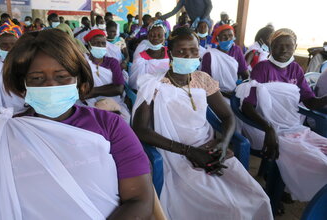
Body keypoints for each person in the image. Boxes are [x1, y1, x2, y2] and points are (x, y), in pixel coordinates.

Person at [0, 29, 154, 220]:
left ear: (78, 80)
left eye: (62, 77)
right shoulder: (0, 139)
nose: (50, 85)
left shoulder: (110, 126)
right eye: (37, 78)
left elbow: (139, 200)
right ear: (23, 86)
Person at [132, 27, 272, 220]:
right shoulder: (154, 84)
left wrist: (223, 144)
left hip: (210, 148)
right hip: (174, 154)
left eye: (194, 50)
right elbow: (140, 130)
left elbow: (228, 117)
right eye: (181, 51)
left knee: (258, 198)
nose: (188, 56)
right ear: (170, 52)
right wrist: (190, 152)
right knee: (229, 208)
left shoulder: (203, 80)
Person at [237, 29, 327, 207]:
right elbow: (248, 106)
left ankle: (286, 188)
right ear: (271, 47)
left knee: (322, 153)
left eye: (289, 46)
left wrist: (324, 99)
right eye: (279, 45)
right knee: (312, 159)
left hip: (293, 126)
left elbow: (308, 100)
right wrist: (269, 127)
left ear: (295, 47)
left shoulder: (295, 69)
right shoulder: (262, 68)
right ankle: (277, 192)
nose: (284, 50)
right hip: (264, 125)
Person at [82, 29, 130, 122]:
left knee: (124, 118)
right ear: (89, 44)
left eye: (103, 43)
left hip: (112, 100)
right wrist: (110, 88)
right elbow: (82, 91)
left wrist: (93, 91)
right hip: (88, 102)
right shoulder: (83, 62)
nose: (100, 46)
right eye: (96, 43)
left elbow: (119, 89)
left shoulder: (112, 62)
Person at [201, 24, 249, 97]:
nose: (228, 38)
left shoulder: (236, 50)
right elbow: (206, 81)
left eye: (230, 35)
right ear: (217, 38)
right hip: (215, 95)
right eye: (224, 36)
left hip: (233, 92)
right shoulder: (210, 55)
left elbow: (244, 73)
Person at [130, 21, 170, 90]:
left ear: (165, 37)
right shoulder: (141, 57)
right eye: (152, 35)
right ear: (148, 36)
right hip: (149, 89)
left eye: (159, 35)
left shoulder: (170, 52)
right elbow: (137, 81)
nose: (155, 37)